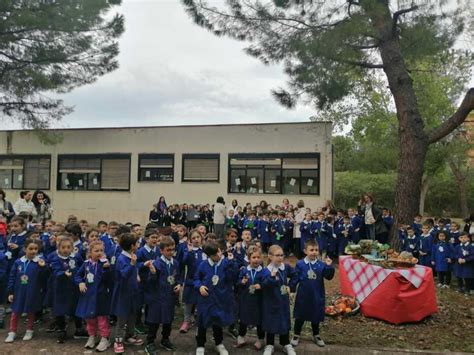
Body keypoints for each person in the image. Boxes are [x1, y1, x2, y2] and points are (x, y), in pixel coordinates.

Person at [194, 240, 238, 355]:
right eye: (214, 255)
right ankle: (200, 345)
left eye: (219, 251)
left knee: (218, 322)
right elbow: (196, 278)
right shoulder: (203, 265)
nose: (218, 255)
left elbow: (232, 278)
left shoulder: (225, 263)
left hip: (220, 299)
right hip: (206, 300)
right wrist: (200, 286)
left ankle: (219, 343)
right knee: (203, 322)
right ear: (209, 255)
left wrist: (231, 263)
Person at [291, 240, 334, 348]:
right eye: (311, 250)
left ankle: (316, 335)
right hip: (303, 295)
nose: (314, 252)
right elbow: (295, 277)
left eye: (316, 250)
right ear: (305, 251)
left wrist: (329, 266)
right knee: (300, 316)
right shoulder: (300, 264)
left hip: (317, 294)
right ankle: (296, 334)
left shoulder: (321, 264)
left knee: (316, 316)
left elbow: (328, 277)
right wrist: (291, 289)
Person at [145, 236, 182, 354]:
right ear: (161, 250)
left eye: (173, 249)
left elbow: (178, 277)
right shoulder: (156, 263)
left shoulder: (175, 263)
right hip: (157, 298)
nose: (171, 252)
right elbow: (150, 282)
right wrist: (153, 273)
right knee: (154, 321)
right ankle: (150, 342)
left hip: (169, 297)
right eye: (168, 250)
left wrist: (179, 284)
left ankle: (165, 339)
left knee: (168, 320)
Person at [5, 238, 47, 343]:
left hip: (32, 291)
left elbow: (44, 277)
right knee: (15, 312)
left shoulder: (39, 263)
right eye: (31, 248)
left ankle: (29, 330)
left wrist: (43, 268)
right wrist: (10, 291)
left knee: (30, 311)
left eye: (36, 249)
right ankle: (12, 332)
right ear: (24, 249)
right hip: (19, 291)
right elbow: (12, 277)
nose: (33, 251)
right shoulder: (18, 262)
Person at [75, 240, 112, 352]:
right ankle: (92, 336)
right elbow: (78, 275)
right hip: (88, 296)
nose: (99, 253)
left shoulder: (105, 264)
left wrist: (106, 269)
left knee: (102, 318)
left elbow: (109, 279)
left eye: (101, 250)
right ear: (90, 252)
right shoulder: (86, 264)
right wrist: (80, 282)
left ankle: (105, 338)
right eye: (96, 251)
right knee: (89, 318)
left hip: (100, 296)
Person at [260, 245, 297, 355]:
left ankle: (286, 343)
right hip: (270, 301)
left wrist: (291, 286)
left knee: (283, 320)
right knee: (271, 321)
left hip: (282, 301)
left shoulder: (285, 267)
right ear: (270, 256)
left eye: (282, 255)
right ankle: (269, 344)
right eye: (277, 255)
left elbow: (295, 275)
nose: (280, 258)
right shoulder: (266, 271)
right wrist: (272, 278)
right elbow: (264, 284)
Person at [110, 233, 144, 354]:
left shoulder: (132, 256)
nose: (138, 245)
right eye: (137, 243)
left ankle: (130, 335)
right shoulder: (121, 258)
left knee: (132, 314)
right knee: (122, 317)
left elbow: (134, 271)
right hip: (123, 293)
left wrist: (137, 274)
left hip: (133, 292)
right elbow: (123, 275)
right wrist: (132, 265)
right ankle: (118, 340)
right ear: (132, 246)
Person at [50, 235, 85, 343]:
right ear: (59, 248)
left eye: (68, 247)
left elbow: (81, 266)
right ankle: (61, 330)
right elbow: (55, 271)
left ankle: (79, 329)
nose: (66, 250)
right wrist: (63, 273)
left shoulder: (76, 256)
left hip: (74, 287)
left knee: (76, 307)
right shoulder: (56, 259)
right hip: (61, 288)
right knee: (60, 309)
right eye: (63, 247)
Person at [236, 246, 265, 350]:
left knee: (259, 320)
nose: (256, 259)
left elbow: (266, 284)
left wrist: (261, 285)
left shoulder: (264, 271)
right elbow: (238, 283)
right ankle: (241, 336)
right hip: (246, 299)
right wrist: (242, 282)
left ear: (261, 258)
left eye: (258, 257)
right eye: (254, 257)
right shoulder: (244, 271)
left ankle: (260, 339)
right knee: (244, 319)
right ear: (249, 259)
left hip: (258, 300)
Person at [180, 229, 206, 333]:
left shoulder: (204, 250)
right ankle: (186, 321)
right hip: (190, 279)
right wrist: (189, 252)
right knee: (188, 302)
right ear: (190, 240)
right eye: (193, 238)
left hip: (202, 280)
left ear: (201, 238)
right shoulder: (188, 250)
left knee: (200, 301)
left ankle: (200, 321)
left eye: (197, 237)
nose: (196, 240)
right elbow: (184, 262)